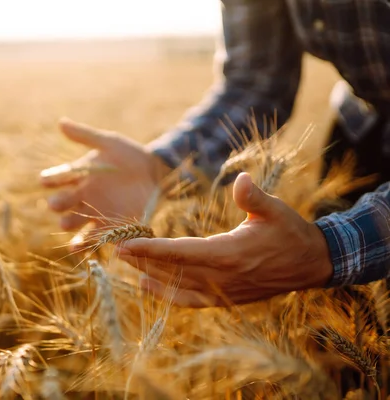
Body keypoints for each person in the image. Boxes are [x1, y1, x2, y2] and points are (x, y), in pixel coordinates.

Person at [40, 0, 390, 308]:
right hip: (363, 129)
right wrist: (163, 168)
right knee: (352, 323)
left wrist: (330, 249)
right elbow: (257, 81)